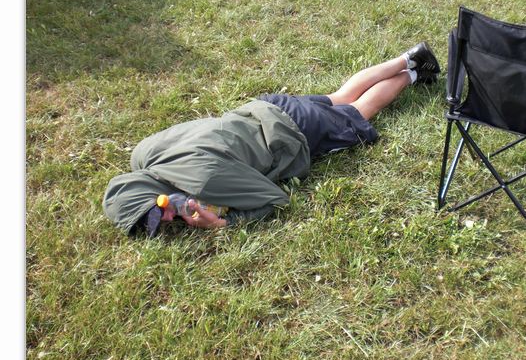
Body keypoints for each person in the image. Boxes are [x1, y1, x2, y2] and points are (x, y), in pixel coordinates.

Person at [103, 42, 440, 237]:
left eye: (159, 210)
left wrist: (223, 223)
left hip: (292, 133)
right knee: (339, 96)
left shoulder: (203, 180)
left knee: (359, 110)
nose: (166, 219)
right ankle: (409, 56)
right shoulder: (143, 154)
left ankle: (411, 74)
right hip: (263, 108)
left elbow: (274, 199)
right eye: (153, 224)